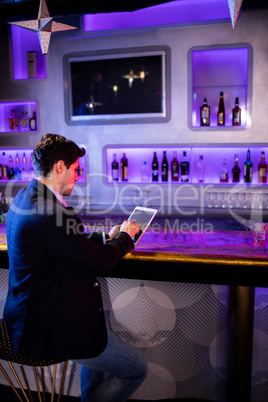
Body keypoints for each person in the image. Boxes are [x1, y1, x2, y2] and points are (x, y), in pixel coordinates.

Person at [3, 134, 147, 401]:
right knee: (137, 369)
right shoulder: (52, 212)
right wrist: (126, 238)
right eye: (75, 170)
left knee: (95, 324)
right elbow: (100, 261)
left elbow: (63, 245)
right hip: (47, 326)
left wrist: (108, 237)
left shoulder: (25, 198)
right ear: (60, 167)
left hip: (25, 316)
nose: (77, 177)